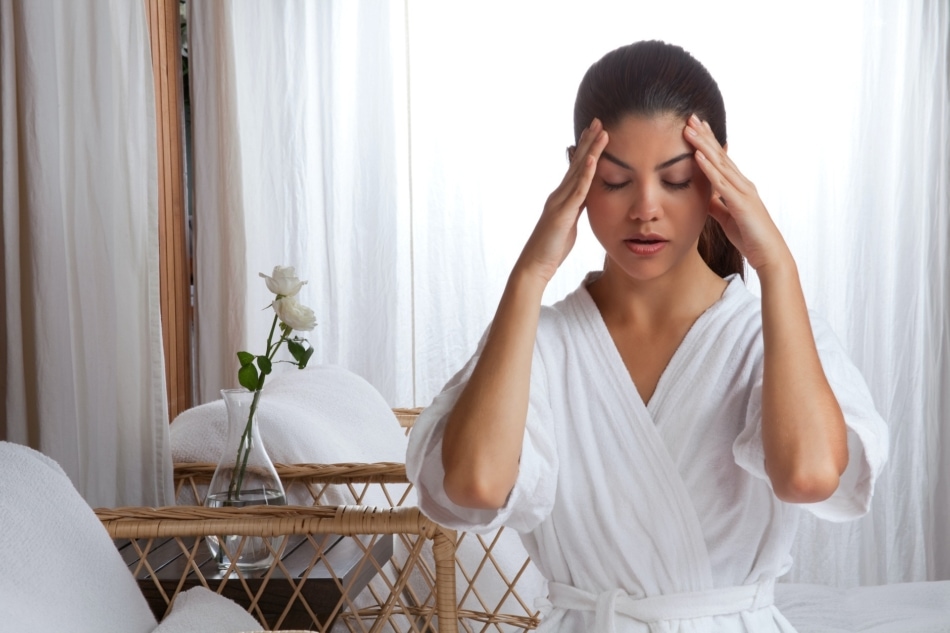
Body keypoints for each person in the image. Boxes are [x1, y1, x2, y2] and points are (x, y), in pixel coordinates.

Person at [406, 40, 888, 632]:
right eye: (614, 181)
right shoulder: (542, 339)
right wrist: (530, 273)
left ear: (718, 175)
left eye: (677, 180)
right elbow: (477, 485)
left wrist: (777, 267)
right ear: (577, 176)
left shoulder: (769, 333)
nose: (645, 209)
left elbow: (809, 475)